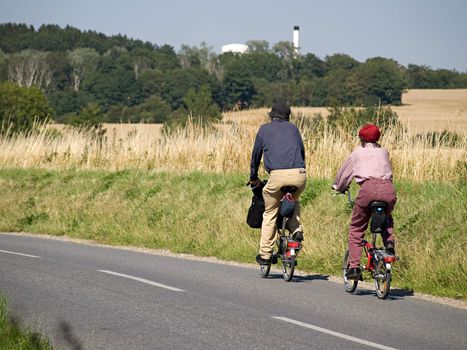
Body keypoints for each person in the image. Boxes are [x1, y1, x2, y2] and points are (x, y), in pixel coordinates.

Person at [332, 124, 397, 280]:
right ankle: (389, 243)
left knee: (356, 229)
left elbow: (344, 175)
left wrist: (339, 187)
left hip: (367, 189)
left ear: (361, 138)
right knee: (386, 220)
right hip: (388, 189)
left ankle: (354, 268)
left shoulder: (357, 153)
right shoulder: (384, 152)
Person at [249, 102, 307, 265]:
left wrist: (253, 177)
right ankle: (296, 230)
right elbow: (302, 152)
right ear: (288, 117)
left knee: (270, 212)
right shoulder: (294, 129)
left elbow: (255, 156)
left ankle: (265, 255)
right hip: (299, 174)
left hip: (277, 176)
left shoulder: (264, 129)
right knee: (293, 201)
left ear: (271, 116)